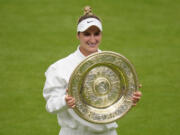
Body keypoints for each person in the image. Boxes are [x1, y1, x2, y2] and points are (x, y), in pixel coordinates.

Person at [43, 6, 142, 135]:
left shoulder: (113, 64)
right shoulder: (59, 67)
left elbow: (115, 101)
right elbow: (51, 105)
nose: (92, 39)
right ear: (78, 35)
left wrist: (129, 99)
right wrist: (64, 101)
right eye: (87, 34)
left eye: (96, 34)